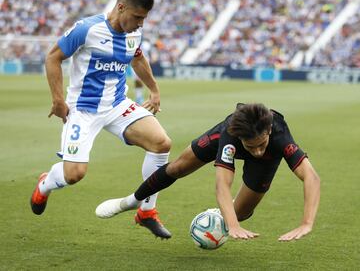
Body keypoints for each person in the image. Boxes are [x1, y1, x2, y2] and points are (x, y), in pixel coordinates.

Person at [30, 0, 172, 239]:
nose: (141, 23)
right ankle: (46, 182)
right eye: (138, 17)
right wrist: (58, 100)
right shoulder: (87, 29)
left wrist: (154, 90)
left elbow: (137, 58)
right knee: (74, 175)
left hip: (117, 105)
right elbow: (53, 57)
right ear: (121, 7)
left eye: (144, 18)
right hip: (84, 110)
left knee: (161, 143)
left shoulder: (134, 33)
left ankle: (147, 212)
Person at [96, 103, 321, 241]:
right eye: (251, 146)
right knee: (177, 167)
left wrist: (306, 223)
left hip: (270, 160)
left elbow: (311, 177)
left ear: (269, 130)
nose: (257, 151)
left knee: (240, 213)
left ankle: (220, 215)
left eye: (261, 144)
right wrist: (232, 227)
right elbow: (222, 185)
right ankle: (132, 201)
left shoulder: (279, 136)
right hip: (223, 136)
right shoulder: (231, 135)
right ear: (241, 138)